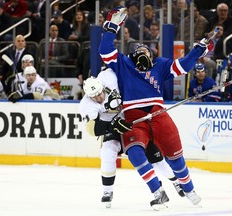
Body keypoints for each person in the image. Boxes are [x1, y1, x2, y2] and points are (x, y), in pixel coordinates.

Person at [99, 6, 211, 209]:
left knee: (176, 159)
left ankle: (189, 189)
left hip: (159, 115)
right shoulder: (123, 64)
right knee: (134, 153)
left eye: (148, 51)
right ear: (133, 55)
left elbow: (182, 66)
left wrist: (197, 52)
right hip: (133, 118)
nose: (145, 53)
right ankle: (157, 191)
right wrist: (112, 27)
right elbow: (105, 50)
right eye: (140, 50)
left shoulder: (160, 65)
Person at [79, 68, 185, 208]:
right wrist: (112, 126)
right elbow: (92, 128)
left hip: (133, 122)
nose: (99, 98)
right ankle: (107, 191)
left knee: (155, 158)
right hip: (113, 128)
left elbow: (124, 67)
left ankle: (175, 181)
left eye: (100, 93)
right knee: (107, 152)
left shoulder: (108, 77)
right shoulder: (86, 105)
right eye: (94, 97)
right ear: (87, 95)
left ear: (102, 86)